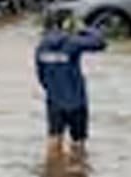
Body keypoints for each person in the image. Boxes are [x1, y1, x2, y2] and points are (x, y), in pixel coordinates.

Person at [35, 13, 107, 168]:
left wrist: (53, 91)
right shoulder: (71, 43)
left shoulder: (41, 47)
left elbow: (40, 76)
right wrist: (88, 30)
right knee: (78, 142)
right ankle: (77, 172)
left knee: (54, 139)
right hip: (77, 101)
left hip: (54, 101)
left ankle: (53, 171)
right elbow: (100, 43)